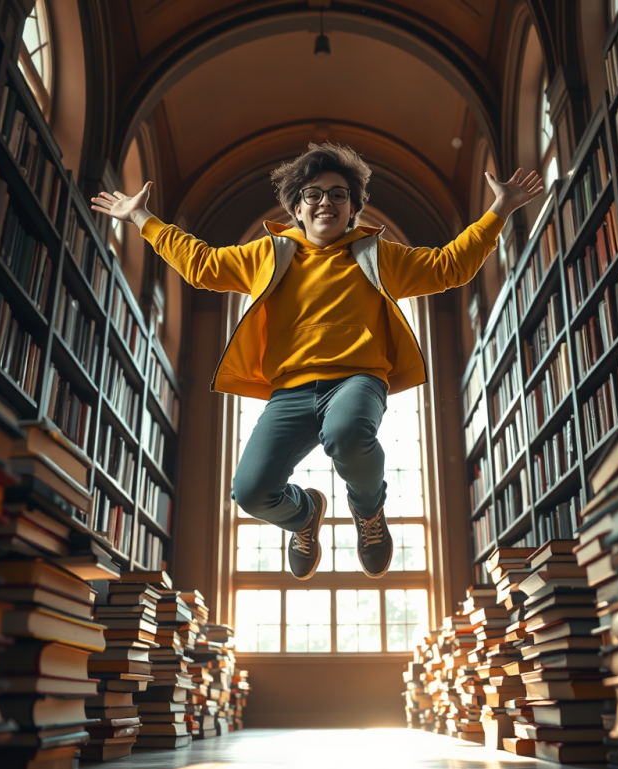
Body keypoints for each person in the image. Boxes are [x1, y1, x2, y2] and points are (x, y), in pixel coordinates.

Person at [92, 143, 543, 581]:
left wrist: (499, 209)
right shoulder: (268, 255)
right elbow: (202, 264)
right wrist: (140, 217)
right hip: (289, 392)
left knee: (347, 432)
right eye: (313, 194)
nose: (326, 201)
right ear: (297, 208)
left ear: (352, 209)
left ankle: (368, 513)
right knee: (249, 491)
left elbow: (450, 266)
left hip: (358, 380)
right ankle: (304, 515)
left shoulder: (378, 255)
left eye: (338, 194)